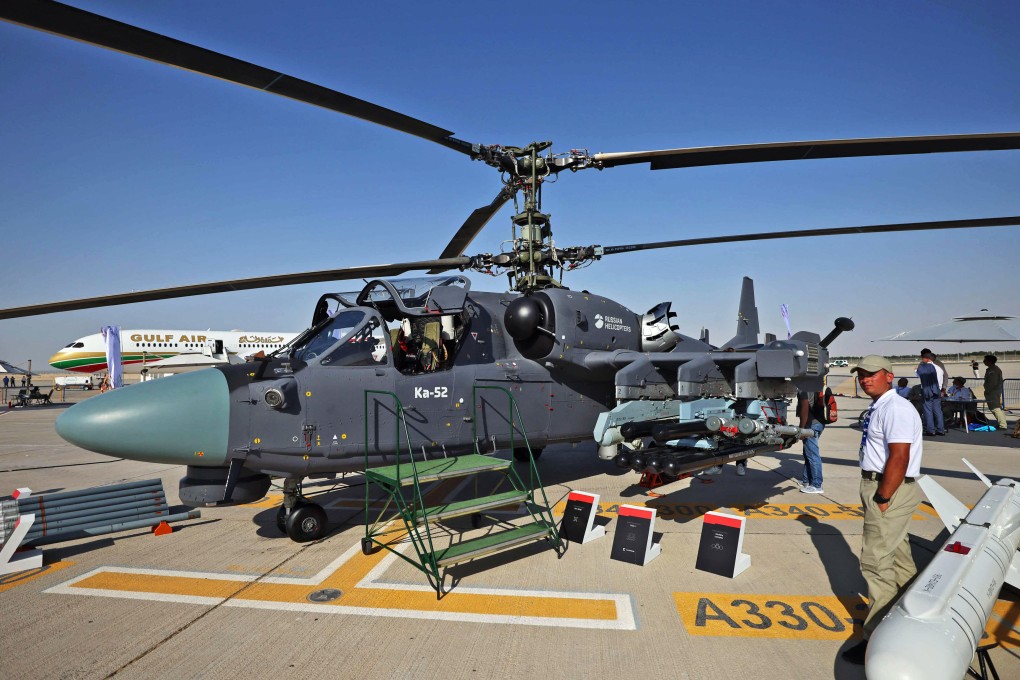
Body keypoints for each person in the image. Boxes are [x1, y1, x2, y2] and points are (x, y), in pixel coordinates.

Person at [841, 355, 923, 665]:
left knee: (875, 561)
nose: (865, 379)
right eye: (861, 375)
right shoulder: (883, 407)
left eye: (871, 374)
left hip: (888, 488)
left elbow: (899, 456)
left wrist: (883, 495)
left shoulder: (896, 409)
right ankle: (912, 614)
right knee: (899, 556)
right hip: (883, 486)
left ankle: (874, 637)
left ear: (889, 376)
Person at [796, 390, 826, 493]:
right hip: (819, 423)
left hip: (811, 424)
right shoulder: (816, 385)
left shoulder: (804, 387)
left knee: (812, 455)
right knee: (808, 453)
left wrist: (801, 429)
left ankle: (816, 485)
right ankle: (806, 480)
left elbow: (805, 407)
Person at [916, 352, 945, 436]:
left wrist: (916, 369)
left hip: (928, 391)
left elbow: (919, 375)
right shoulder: (939, 368)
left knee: (928, 411)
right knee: (938, 411)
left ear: (927, 359)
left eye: (923, 358)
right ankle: (941, 429)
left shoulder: (925, 367)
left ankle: (930, 430)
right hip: (937, 391)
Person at [983, 355, 1008, 431]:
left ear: (990, 361)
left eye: (985, 360)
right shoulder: (991, 369)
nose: (984, 362)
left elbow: (992, 383)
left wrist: (987, 391)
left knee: (995, 408)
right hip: (993, 391)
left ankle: (1002, 425)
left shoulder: (993, 370)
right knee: (997, 408)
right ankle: (1002, 423)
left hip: (992, 391)